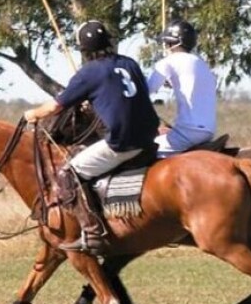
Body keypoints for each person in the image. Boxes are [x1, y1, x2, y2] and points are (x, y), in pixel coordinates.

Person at [24, 20, 159, 255]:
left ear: (84, 50)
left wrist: (32, 114)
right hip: (148, 137)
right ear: (109, 41)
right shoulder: (130, 63)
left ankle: (91, 232)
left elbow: (56, 107)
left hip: (122, 142)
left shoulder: (88, 73)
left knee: (67, 173)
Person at [147, 19, 217, 158]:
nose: (166, 46)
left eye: (167, 42)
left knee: (145, 150)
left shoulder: (168, 62)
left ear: (174, 43)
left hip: (188, 131)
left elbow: (147, 89)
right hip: (209, 130)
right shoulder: (201, 63)